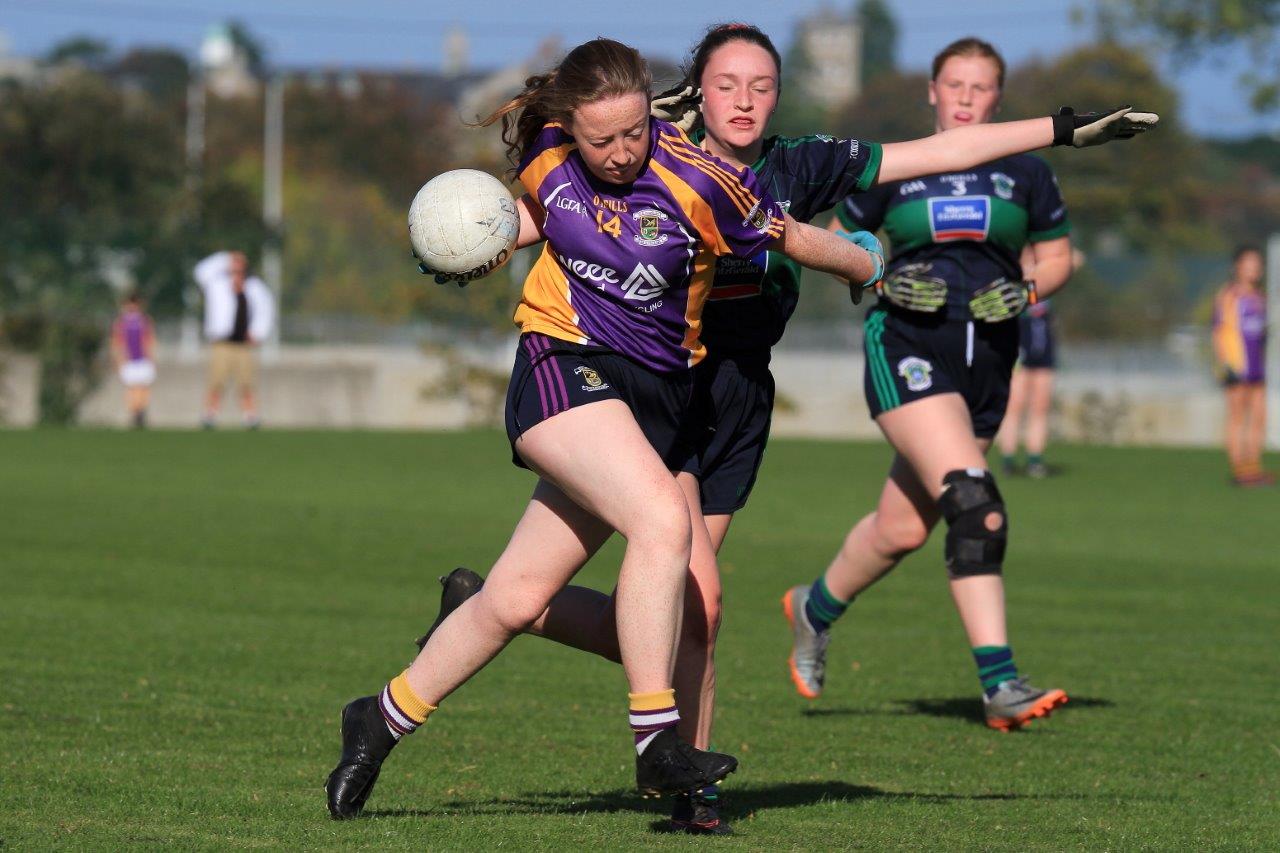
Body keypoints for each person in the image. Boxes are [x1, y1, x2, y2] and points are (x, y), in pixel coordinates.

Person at [413, 25, 1156, 833]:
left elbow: (928, 154)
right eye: (727, 83)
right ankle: (690, 790)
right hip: (662, 382)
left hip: (739, 395)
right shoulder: (648, 146)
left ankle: (505, 610)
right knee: (697, 591)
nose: (744, 99)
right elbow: (547, 204)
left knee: (693, 611)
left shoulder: (799, 165)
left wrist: (1055, 130)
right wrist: (475, 243)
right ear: (696, 90)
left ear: (778, 94)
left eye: (761, 85)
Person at [325, 37, 884, 822]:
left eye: (634, 133)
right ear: (568, 127)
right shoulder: (549, 156)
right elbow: (531, 217)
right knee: (662, 519)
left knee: (516, 598)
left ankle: (377, 717)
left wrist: (866, 266)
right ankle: (658, 740)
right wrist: (471, 247)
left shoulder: (702, 178)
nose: (621, 153)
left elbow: (790, 236)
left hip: (654, 400)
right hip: (562, 363)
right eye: (602, 139)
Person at [783, 36, 1123, 733]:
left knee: (902, 527)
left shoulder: (1027, 174)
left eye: (980, 87)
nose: (967, 98)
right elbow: (842, 246)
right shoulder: (895, 168)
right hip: (907, 345)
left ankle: (813, 608)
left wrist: (1028, 289)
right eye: (955, 85)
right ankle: (1001, 683)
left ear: (998, 99)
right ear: (932, 93)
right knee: (976, 504)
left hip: (990, 358)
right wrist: (878, 267)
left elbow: (1057, 257)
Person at [1212, 244, 1272, 486]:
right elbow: (1218, 332)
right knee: (1237, 416)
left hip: (1257, 366)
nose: (1254, 268)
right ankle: (1239, 469)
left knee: (1258, 416)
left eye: (1257, 264)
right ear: (1237, 266)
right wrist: (1225, 363)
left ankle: (1253, 466)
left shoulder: (1260, 297)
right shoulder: (1229, 296)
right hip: (1237, 366)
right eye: (1249, 263)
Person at [192, 251, 274, 429]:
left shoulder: (254, 287)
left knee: (246, 382)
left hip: (243, 344)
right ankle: (210, 415)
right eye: (233, 265)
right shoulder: (217, 284)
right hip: (222, 342)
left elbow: (265, 309)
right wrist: (225, 258)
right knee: (217, 380)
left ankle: (250, 416)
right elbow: (200, 271)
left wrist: (257, 332)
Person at [111, 291, 156, 429]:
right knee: (131, 388)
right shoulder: (121, 323)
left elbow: (150, 340)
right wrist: (118, 360)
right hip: (129, 361)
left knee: (143, 388)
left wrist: (152, 358)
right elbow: (117, 342)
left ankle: (141, 411)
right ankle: (135, 413)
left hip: (143, 360)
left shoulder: (145, 321)